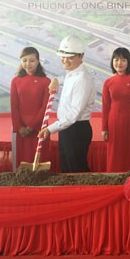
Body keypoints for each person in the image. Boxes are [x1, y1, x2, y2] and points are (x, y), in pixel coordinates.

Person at [38, 36, 96, 173]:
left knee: (76, 171)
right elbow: (68, 78)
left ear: (81, 56)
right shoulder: (73, 73)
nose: (65, 60)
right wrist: (57, 80)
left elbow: (73, 115)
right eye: (63, 56)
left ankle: (84, 194)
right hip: (67, 128)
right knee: (67, 168)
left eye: (69, 57)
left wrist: (50, 129)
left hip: (76, 129)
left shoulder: (82, 79)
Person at [102, 47, 130, 172]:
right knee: (114, 153)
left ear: (128, 62)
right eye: (116, 60)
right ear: (112, 62)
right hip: (114, 123)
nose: (119, 63)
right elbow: (105, 107)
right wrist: (104, 128)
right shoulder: (108, 82)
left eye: (123, 60)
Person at [10, 46, 51, 169]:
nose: (28, 64)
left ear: (38, 61)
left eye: (32, 60)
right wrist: (19, 127)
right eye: (24, 60)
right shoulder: (15, 81)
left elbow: (45, 107)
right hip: (21, 129)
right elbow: (14, 106)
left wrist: (31, 127)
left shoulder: (45, 81)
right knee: (23, 162)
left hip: (39, 127)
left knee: (40, 162)